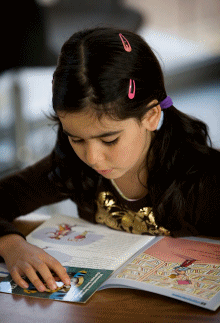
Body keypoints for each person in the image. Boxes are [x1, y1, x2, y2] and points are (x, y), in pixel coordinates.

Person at [0, 27, 219, 293]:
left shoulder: (205, 180)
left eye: (109, 140)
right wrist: (11, 245)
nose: (92, 157)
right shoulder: (71, 165)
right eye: (76, 139)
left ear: (151, 115)